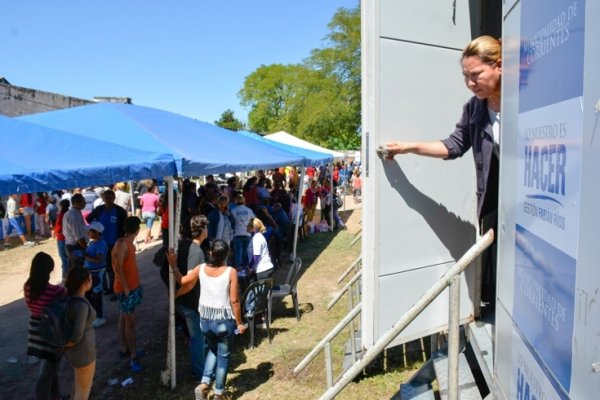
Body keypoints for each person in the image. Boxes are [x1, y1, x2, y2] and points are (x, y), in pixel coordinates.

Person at [384, 35, 502, 309]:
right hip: (496, 204)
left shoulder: (526, 98)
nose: (470, 83)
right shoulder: (474, 107)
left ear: (498, 66)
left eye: (476, 75)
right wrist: (410, 147)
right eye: (465, 77)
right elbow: (454, 145)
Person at [167, 240, 246, 400]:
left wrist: (173, 265)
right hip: (223, 320)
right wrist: (239, 323)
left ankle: (203, 383)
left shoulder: (201, 268)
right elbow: (235, 300)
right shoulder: (230, 271)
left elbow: (182, 280)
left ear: (210, 253)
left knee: (212, 350)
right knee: (223, 357)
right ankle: (218, 392)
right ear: (227, 255)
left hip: (205, 320)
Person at [24, 252, 66, 400]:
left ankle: (56, 396)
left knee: (50, 367)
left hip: (35, 329)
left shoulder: (28, 287)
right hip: (49, 331)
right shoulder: (55, 291)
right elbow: (65, 296)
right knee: (47, 372)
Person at [175, 215, 209, 381]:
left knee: (199, 337)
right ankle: (200, 374)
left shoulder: (183, 245)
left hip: (185, 301)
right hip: (189, 302)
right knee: (197, 339)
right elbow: (189, 281)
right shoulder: (196, 252)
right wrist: (177, 294)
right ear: (202, 230)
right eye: (206, 227)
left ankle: (202, 368)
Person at [112, 216, 144, 372]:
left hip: (130, 288)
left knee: (124, 318)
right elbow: (118, 268)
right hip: (126, 290)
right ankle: (133, 355)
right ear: (137, 230)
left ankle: (124, 348)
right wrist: (126, 287)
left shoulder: (128, 244)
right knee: (129, 323)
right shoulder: (122, 243)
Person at [86, 189, 127, 298]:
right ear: (103, 198)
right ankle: (107, 288)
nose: (108, 200)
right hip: (102, 244)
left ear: (114, 198)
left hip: (115, 244)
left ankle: (116, 290)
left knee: (115, 268)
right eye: (106, 197)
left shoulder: (120, 211)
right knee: (104, 267)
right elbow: (88, 218)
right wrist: (96, 229)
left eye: (110, 197)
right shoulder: (99, 210)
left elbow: (125, 226)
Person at [63, 267, 96, 400]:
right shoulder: (80, 304)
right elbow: (77, 335)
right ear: (85, 282)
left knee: (78, 387)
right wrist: (68, 345)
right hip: (83, 352)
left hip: (76, 352)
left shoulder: (69, 299)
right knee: (83, 390)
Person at [83, 221, 108, 328]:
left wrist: (84, 256)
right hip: (90, 273)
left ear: (97, 233)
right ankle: (95, 314)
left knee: (97, 296)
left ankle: (100, 317)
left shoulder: (101, 244)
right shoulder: (93, 242)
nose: (88, 232)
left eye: (90, 231)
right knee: (88, 294)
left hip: (97, 274)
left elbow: (98, 260)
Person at [63, 193, 88, 270]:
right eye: (84, 202)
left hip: (72, 245)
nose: (85, 204)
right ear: (77, 203)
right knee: (78, 270)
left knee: (73, 269)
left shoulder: (72, 213)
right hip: (75, 246)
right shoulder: (74, 216)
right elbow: (78, 237)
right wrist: (87, 249)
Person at [230, 195, 255, 270]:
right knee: (246, 251)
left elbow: (231, 223)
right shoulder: (249, 210)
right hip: (247, 233)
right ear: (244, 201)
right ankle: (246, 267)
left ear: (236, 202)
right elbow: (253, 221)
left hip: (237, 233)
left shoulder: (233, 211)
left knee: (238, 251)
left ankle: (239, 267)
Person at [54, 199, 71, 279]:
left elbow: (58, 228)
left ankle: (65, 276)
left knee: (64, 258)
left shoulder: (61, 215)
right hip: (68, 238)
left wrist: (57, 233)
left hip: (62, 238)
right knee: (68, 257)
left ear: (61, 206)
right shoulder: (69, 213)